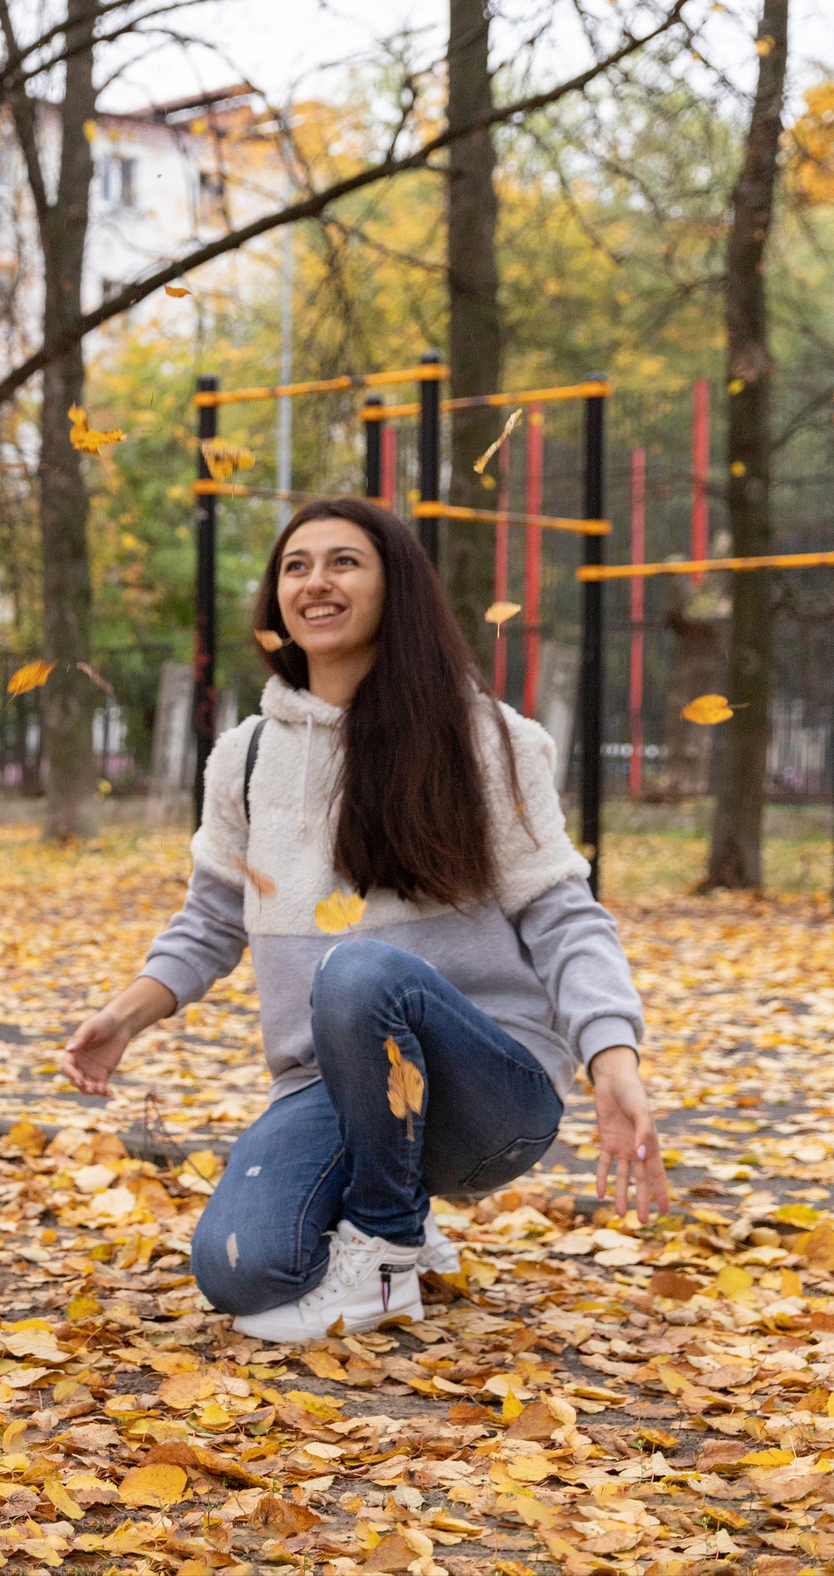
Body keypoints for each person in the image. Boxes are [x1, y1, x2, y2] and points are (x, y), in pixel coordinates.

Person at [57, 500, 667, 1342]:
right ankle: (404, 1214)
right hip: (332, 1086)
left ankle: (385, 1245)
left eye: (345, 562)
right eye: (296, 565)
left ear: (395, 588)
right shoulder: (247, 757)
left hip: (488, 1089)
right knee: (240, 1268)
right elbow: (208, 921)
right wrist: (122, 1017)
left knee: (357, 967)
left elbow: (565, 917)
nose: (316, 581)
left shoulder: (486, 738)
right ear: (277, 599)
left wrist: (612, 1057)